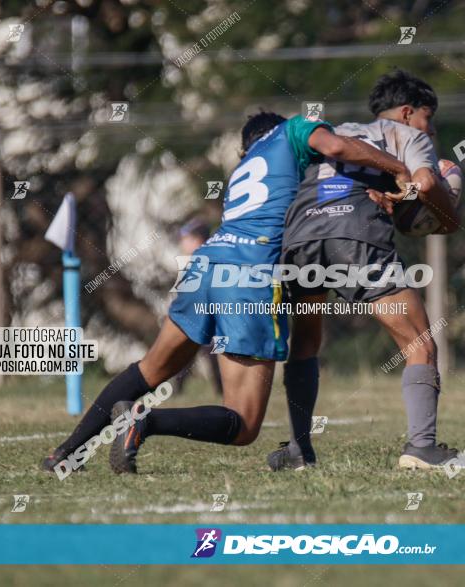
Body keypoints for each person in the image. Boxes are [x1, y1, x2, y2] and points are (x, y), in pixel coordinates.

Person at [41, 110, 411, 475]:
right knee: (244, 424)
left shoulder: (245, 168)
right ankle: (143, 422)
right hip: (248, 275)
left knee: (150, 369)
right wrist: (395, 168)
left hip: (205, 265)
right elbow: (336, 146)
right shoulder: (294, 130)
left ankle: (66, 453)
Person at [267, 69, 461, 472]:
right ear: (408, 113)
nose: (431, 128)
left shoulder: (338, 129)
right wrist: (445, 196)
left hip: (301, 234)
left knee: (304, 344)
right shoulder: (409, 137)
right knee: (419, 343)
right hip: (353, 233)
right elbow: (423, 184)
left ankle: (299, 451)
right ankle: (422, 448)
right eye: (429, 118)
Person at [170, 217, 223, 396]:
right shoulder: (189, 262)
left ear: (198, 241)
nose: (182, 243)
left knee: (213, 353)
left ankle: (221, 389)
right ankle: (177, 389)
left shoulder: (205, 261)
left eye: (186, 239)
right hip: (194, 318)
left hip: (209, 318)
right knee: (185, 355)